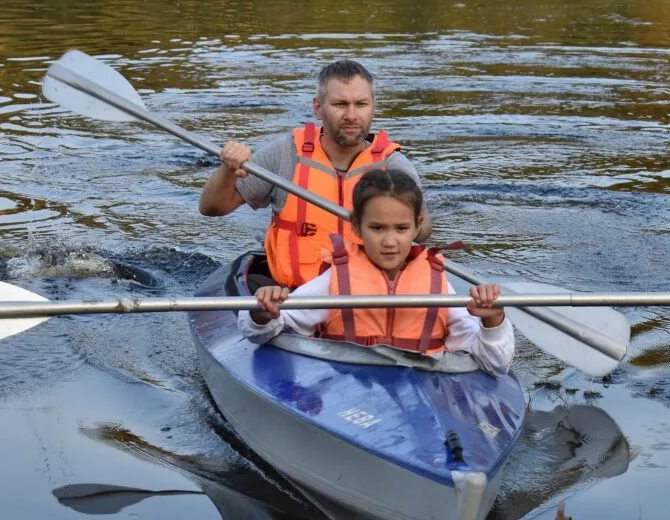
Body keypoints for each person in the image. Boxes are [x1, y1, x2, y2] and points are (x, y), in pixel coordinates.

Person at [241, 170, 513, 376]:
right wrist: (263, 312)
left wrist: (493, 321)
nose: (390, 241)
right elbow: (260, 332)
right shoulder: (335, 282)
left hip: (422, 385)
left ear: (417, 226)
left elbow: (495, 363)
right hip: (348, 385)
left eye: (401, 228)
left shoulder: (438, 286)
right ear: (357, 227)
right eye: (378, 228)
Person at [199, 59, 431, 289]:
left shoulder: (393, 165)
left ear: (373, 107)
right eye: (340, 104)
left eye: (361, 104)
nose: (351, 115)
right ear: (318, 108)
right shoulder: (285, 153)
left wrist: (394, 225)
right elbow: (212, 208)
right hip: (291, 295)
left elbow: (422, 230)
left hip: (368, 294)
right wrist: (228, 170)